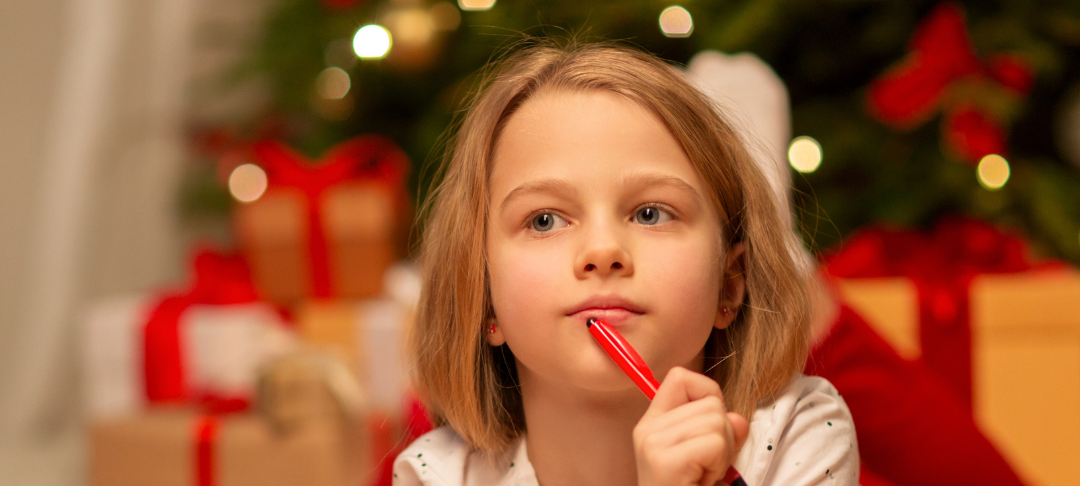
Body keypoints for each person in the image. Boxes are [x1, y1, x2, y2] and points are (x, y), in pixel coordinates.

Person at [393, 40, 859, 486]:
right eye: (544, 220)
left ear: (730, 285)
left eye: (650, 213)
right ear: (483, 296)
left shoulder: (798, 434)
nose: (602, 251)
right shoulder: (435, 474)